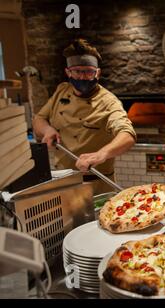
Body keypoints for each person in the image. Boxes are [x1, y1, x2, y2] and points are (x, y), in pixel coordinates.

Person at [33, 39, 136, 194]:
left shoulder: (108, 101)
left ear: (98, 73)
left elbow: (127, 135)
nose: (82, 77)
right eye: (77, 71)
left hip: (97, 185)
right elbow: (39, 119)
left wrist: (102, 154)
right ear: (68, 72)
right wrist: (47, 130)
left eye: (88, 71)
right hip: (63, 182)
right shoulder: (61, 91)